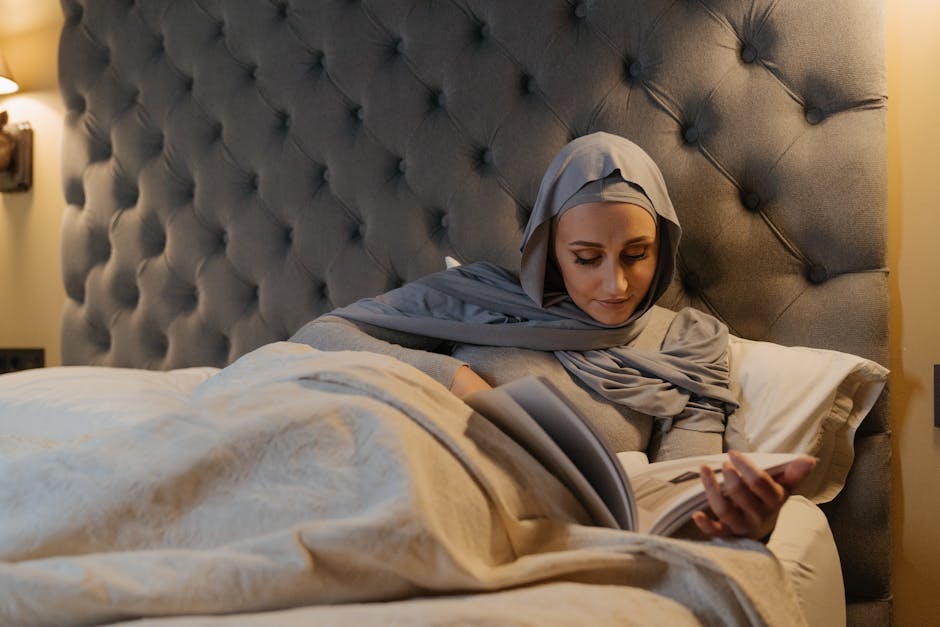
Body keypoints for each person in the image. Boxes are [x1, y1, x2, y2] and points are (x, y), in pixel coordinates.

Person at [291, 132, 814, 541]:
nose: (616, 284)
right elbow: (320, 336)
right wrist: (457, 380)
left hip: (543, 528)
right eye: (586, 258)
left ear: (663, 246)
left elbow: (680, 490)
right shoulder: (479, 296)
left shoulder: (686, 345)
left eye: (637, 254)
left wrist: (737, 520)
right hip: (402, 482)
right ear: (549, 250)